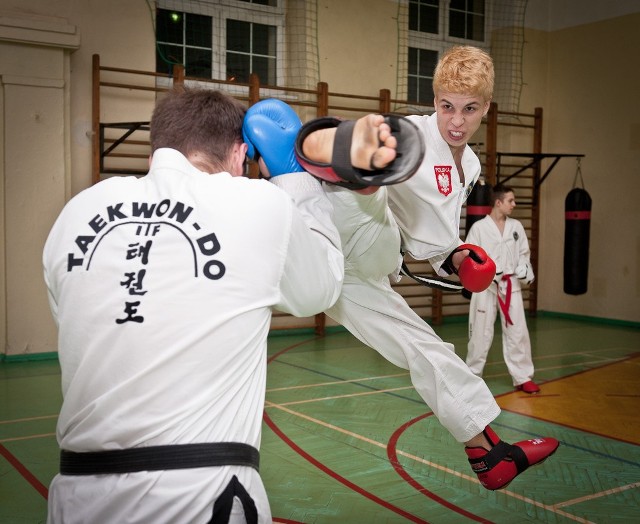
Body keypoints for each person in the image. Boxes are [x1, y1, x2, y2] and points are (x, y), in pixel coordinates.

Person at [43, 87, 375, 523]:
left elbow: (79, 322)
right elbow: (320, 289)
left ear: (154, 152)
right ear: (240, 155)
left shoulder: (77, 211)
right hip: (199, 493)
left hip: (77, 497)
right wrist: (293, 178)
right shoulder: (255, 202)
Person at [243, 45, 558, 492]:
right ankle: (336, 171)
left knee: (425, 349)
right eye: (447, 106)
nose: (456, 120)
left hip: (358, 273)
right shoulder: (407, 132)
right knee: (376, 192)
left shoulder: (468, 164)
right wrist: (368, 163)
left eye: (469, 110)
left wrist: (457, 257)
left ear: (486, 109)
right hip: (343, 230)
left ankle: (488, 454)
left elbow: (433, 239)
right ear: (434, 102)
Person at [465, 183, 540, 393]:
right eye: (510, 201)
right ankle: (472, 375)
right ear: (498, 203)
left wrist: (525, 267)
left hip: (511, 286)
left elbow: (524, 253)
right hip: (485, 288)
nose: (514, 205)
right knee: (480, 333)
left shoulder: (516, 227)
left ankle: (522, 376)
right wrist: (484, 272)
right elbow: (469, 257)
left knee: (518, 332)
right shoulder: (479, 228)